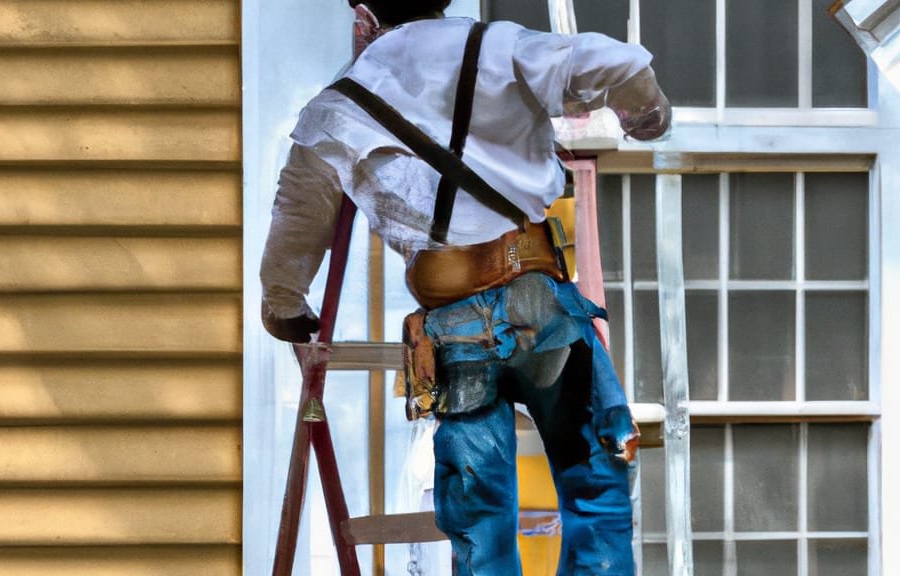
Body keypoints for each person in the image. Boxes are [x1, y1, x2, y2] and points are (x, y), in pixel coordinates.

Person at [260, 1, 671, 574]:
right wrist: (645, 113)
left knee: (480, 517)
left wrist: (284, 306)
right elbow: (617, 65)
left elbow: (298, 217)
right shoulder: (497, 46)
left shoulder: (338, 107)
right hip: (540, 303)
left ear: (363, 16)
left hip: (454, 328)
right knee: (595, 476)